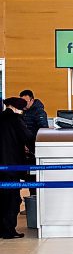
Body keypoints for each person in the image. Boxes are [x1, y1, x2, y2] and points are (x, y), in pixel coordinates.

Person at [0, 97, 32, 239]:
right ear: (14, 107)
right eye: (21, 109)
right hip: (11, 165)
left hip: (2, 165)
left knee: (1, 198)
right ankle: (8, 230)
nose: (21, 112)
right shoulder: (15, 120)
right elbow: (28, 137)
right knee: (12, 199)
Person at [19, 90, 48, 196]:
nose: (23, 104)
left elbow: (43, 131)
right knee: (28, 178)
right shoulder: (22, 112)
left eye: (25, 101)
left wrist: (31, 145)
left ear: (32, 100)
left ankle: (35, 204)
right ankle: (31, 203)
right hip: (24, 150)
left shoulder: (39, 112)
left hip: (34, 151)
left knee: (34, 178)